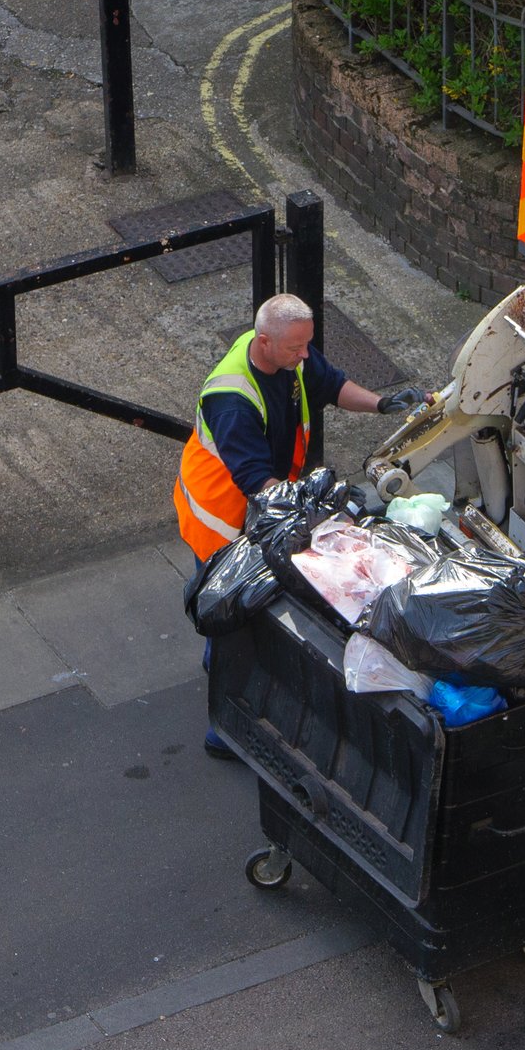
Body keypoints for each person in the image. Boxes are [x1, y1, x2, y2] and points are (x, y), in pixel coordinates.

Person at [176, 293, 423, 758]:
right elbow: (254, 481)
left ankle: (231, 689)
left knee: (245, 618)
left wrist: (383, 403)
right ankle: (225, 727)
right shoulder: (231, 398)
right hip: (223, 520)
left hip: (259, 509)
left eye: (308, 344)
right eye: (296, 348)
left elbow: (331, 385)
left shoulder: (289, 355)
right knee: (233, 617)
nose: (305, 355)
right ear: (264, 342)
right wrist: (313, 508)